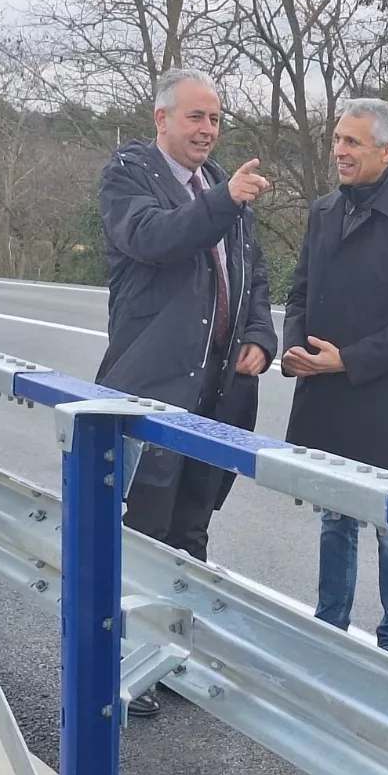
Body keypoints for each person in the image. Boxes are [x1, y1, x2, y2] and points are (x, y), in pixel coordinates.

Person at [97, 68, 278, 714]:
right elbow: (154, 241)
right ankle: (127, 667)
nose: (208, 130)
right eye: (196, 117)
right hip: (152, 391)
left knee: (191, 530)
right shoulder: (130, 178)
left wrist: (259, 335)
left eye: (216, 119)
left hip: (218, 394)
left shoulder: (218, 186)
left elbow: (250, 274)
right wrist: (224, 199)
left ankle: (175, 658)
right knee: (143, 533)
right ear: (161, 119)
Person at [281, 98, 388, 659]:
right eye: (336, 139)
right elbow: (300, 293)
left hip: (375, 395)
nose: (339, 151)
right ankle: (330, 624)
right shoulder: (323, 212)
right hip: (323, 389)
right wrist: (294, 352)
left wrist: (348, 360)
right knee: (334, 513)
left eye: (352, 142)